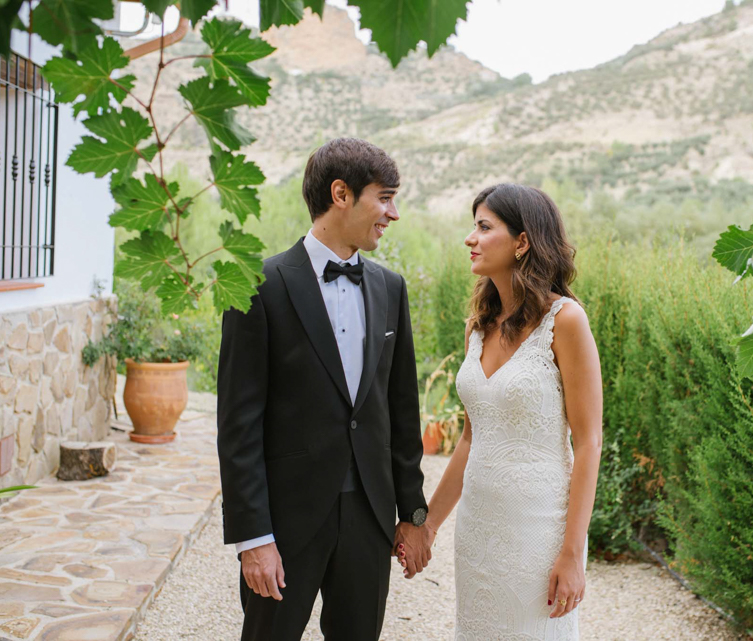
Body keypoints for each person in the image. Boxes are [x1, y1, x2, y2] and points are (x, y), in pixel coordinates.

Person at [216, 138, 433, 641]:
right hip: (286, 522)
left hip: (369, 518)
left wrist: (413, 513)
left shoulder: (390, 288)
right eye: (384, 197)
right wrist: (254, 538)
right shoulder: (256, 285)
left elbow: (400, 410)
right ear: (341, 193)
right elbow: (238, 426)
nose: (392, 213)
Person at [406, 183, 603, 640]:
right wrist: (428, 526)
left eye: (483, 226)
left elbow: (589, 441)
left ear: (522, 241)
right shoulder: (478, 326)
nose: (470, 239)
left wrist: (573, 553)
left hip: (537, 530)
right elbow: (472, 440)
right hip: (477, 533)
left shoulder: (566, 321)